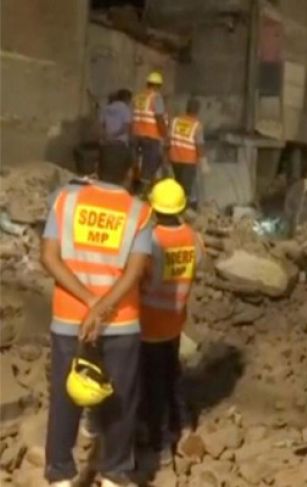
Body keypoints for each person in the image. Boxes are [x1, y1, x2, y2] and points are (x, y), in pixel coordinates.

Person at [41, 144, 153, 487]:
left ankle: (60, 473)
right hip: (119, 320)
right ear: (130, 172)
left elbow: (49, 258)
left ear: (94, 168)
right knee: (119, 397)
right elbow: (134, 273)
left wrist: (89, 301)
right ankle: (114, 472)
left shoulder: (65, 201)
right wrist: (102, 307)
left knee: (65, 394)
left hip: (70, 317)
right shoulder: (140, 212)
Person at [139, 179, 203, 463]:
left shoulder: (151, 240)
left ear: (153, 207)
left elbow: (139, 278)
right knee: (172, 374)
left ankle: (160, 441)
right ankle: (184, 425)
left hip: (149, 323)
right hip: (175, 320)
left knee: (152, 383)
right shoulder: (193, 237)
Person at [168, 98, 208, 209]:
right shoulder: (197, 125)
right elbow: (199, 145)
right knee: (186, 187)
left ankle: (176, 206)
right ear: (197, 110)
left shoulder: (175, 121)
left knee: (178, 183)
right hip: (188, 161)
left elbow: (168, 138)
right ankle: (183, 209)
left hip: (174, 158)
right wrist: (203, 161)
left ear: (187, 108)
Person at [133, 71, 167, 193]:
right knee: (150, 163)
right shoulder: (156, 97)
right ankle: (142, 191)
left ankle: (134, 186)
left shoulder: (138, 96)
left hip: (137, 134)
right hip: (151, 135)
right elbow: (158, 117)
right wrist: (164, 134)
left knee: (136, 161)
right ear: (158, 85)